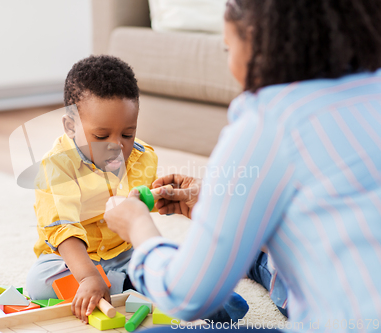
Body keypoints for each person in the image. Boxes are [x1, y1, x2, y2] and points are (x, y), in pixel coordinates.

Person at [103, 0, 381, 332]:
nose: (230, 63)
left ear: (255, 41)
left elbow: (187, 296)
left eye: (227, 48)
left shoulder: (266, 121)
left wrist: (138, 228)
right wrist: (219, 200)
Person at [25, 55, 249, 324]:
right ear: (71, 126)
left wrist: (159, 197)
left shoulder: (142, 157)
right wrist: (87, 276)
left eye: (127, 134)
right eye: (101, 136)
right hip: (70, 257)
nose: (116, 145)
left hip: (123, 252)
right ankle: (138, 285)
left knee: (164, 255)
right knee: (37, 284)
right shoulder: (56, 167)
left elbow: (137, 203)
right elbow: (63, 228)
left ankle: (197, 292)